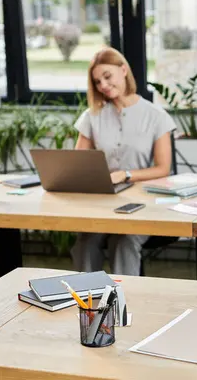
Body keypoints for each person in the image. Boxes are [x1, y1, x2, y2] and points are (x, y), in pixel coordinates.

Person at [70, 47, 177, 276]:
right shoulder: (92, 116)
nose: (104, 86)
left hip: (143, 203)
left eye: (107, 77)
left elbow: (163, 169)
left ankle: (124, 304)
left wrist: (125, 174)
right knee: (85, 243)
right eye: (98, 81)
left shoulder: (155, 116)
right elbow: (77, 164)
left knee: (123, 241)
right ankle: (88, 305)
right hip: (102, 203)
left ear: (123, 70)